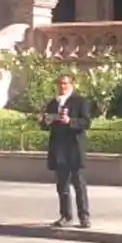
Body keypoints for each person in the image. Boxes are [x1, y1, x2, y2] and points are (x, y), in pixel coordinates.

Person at [40, 73, 92, 228]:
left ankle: (84, 216)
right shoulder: (53, 103)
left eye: (65, 83)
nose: (62, 87)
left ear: (72, 84)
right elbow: (45, 125)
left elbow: (86, 122)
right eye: (60, 84)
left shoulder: (80, 101)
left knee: (79, 184)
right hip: (59, 149)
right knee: (62, 185)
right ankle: (65, 215)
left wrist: (71, 121)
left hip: (74, 148)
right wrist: (44, 121)